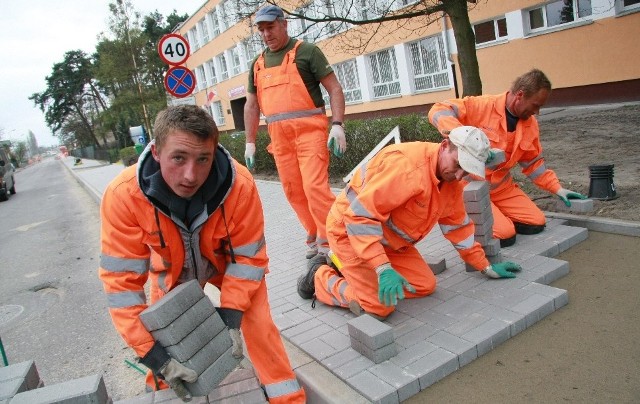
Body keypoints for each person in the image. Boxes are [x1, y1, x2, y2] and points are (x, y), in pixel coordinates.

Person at [98, 105, 305, 403]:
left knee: (259, 325)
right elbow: (122, 288)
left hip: (228, 266)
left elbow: (248, 259)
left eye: (203, 159)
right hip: (172, 271)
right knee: (162, 336)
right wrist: (155, 356)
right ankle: (161, 394)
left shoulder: (239, 186)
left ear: (214, 151)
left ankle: (287, 397)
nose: (190, 175)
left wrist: (231, 314)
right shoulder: (124, 196)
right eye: (178, 158)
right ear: (156, 152)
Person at [297, 126, 522, 319]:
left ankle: (353, 270)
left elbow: (458, 228)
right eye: (458, 164)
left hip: (386, 242)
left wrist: (485, 265)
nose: (460, 175)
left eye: (467, 170)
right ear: (445, 146)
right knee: (379, 307)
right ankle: (320, 277)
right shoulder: (407, 169)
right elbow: (359, 218)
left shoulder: (450, 181)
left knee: (425, 285)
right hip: (349, 233)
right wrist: (383, 268)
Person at [429, 69, 586, 247]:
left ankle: (497, 214)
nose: (537, 112)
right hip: (471, 187)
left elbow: (534, 164)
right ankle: (472, 220)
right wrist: (461, 136)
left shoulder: (530, 125)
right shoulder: (483, 106)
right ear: (520, 95)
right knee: (505, 234)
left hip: (501, 189)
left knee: (536, 222)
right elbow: (438, 110)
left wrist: (557, 189)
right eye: (535, 105)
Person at [243, 4, 346, 260]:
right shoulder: (257, 64)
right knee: (293, 191)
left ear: (284, 23)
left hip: (310, 134)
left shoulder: (307, 52)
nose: (266, 34)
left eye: (271, 27)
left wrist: (338, 125)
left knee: (314, 188)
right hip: (280, 141)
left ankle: (335, 238)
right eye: (262, 29)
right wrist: (250, 142)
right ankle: (315, 236)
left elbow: (334, 89)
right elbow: (252, 105)